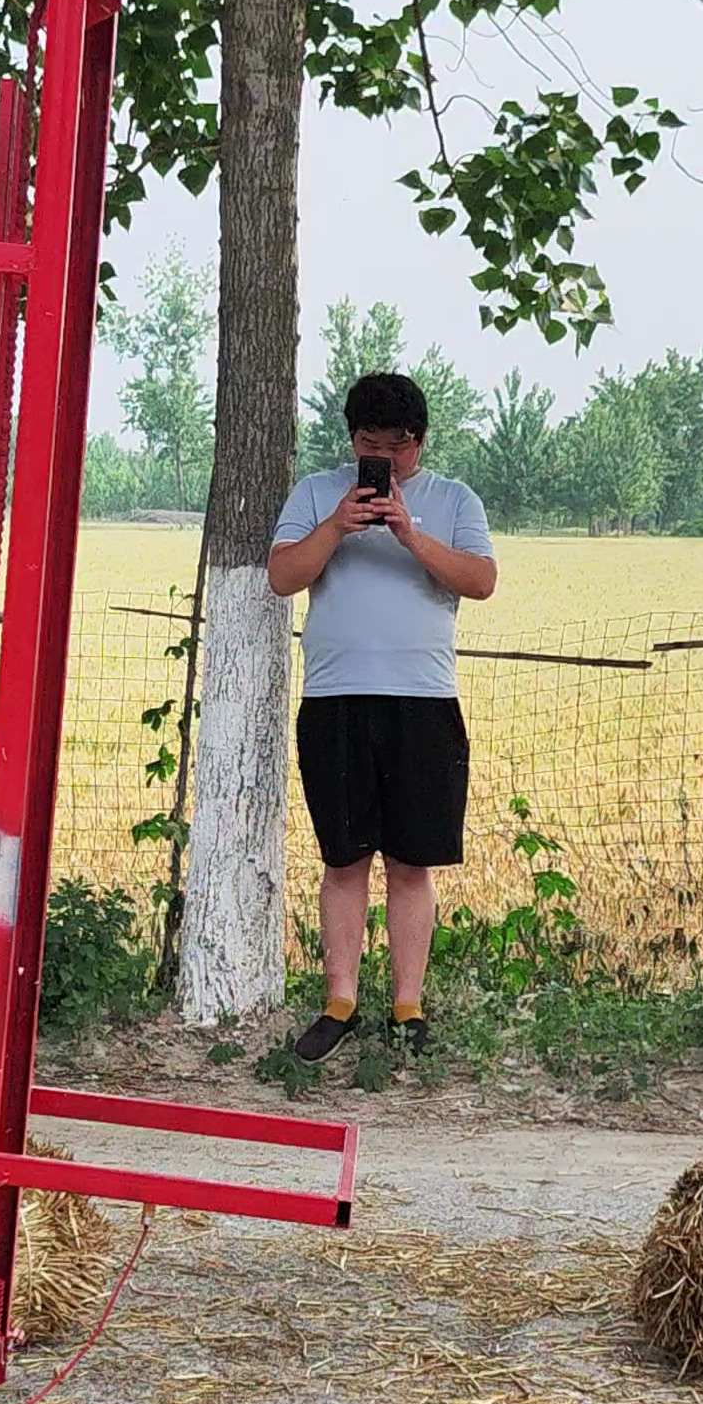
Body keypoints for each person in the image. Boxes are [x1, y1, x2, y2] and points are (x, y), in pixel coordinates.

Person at [268, 368, 497, 1062]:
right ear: (351, 439)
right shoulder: (316, 493)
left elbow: (480, 581)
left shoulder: (453, 501)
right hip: (335, 701)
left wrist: (407, 533)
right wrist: (339, 524)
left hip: (424, 703)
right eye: (369, 443)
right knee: (344, 860)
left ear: (419, 444)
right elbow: (281, 576)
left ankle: (408, 1007)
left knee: (410, 862)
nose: (383, 459)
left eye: (395, 447)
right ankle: (339, 1003)